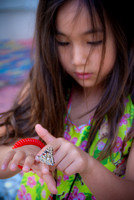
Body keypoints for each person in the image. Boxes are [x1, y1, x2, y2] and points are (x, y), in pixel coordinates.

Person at [0, 0, 134, 199]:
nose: (77, 59)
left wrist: (88, 167)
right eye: (63, 42)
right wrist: (22, 151)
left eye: (94, 41)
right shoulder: (43, 87)